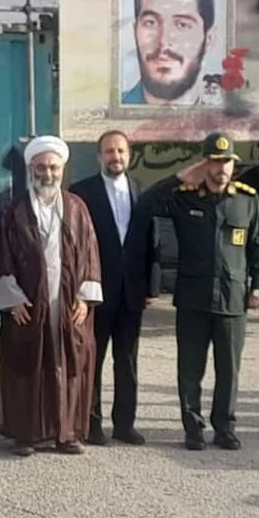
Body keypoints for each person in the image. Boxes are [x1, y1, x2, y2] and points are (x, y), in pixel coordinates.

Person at [140, 133, 259, 450]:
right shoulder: (184, 197)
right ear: (205, 164)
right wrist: (181, 177)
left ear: (233, 165)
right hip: (193, 298)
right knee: (190, 369)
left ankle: (225, 427)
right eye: (215, 161)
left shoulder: (247, 200)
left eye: (227, 162)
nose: (221, 168)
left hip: (232, 299)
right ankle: (193, 428)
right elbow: (147, 203)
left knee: (229, 370)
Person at [0, 135, 103, 455]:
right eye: (41, 167)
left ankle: (66, 433)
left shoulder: (77, 207)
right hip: (29, 302)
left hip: (68, 302)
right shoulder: (15, 209)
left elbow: (90, 253)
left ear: (62, 169)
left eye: (53, 167)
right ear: (31, 169)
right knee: (29, 364)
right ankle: (26, 434)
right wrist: (12, 299)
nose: (47, 173)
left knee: (69, 364)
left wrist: (85, 298)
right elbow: (2, 255)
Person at [70, 130, 160, 446]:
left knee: (128, 361)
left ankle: (125, 424)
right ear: (99, 156)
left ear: (129, 155)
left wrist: (152, 287)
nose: (115, 157)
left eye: (120, 151)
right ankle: (91, 424)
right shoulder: (81, 193)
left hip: (131, 292)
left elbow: (152, 241)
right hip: (95, 292)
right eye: (109, 151)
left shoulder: (141, 192)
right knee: (91, 360)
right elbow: (75, 245)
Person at [122, 0, 218, 107]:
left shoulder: (235, 115)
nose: (163, 41)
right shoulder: (108, 111)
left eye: (182, 25)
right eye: (150, 23)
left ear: (209, 38)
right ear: (135, 31)